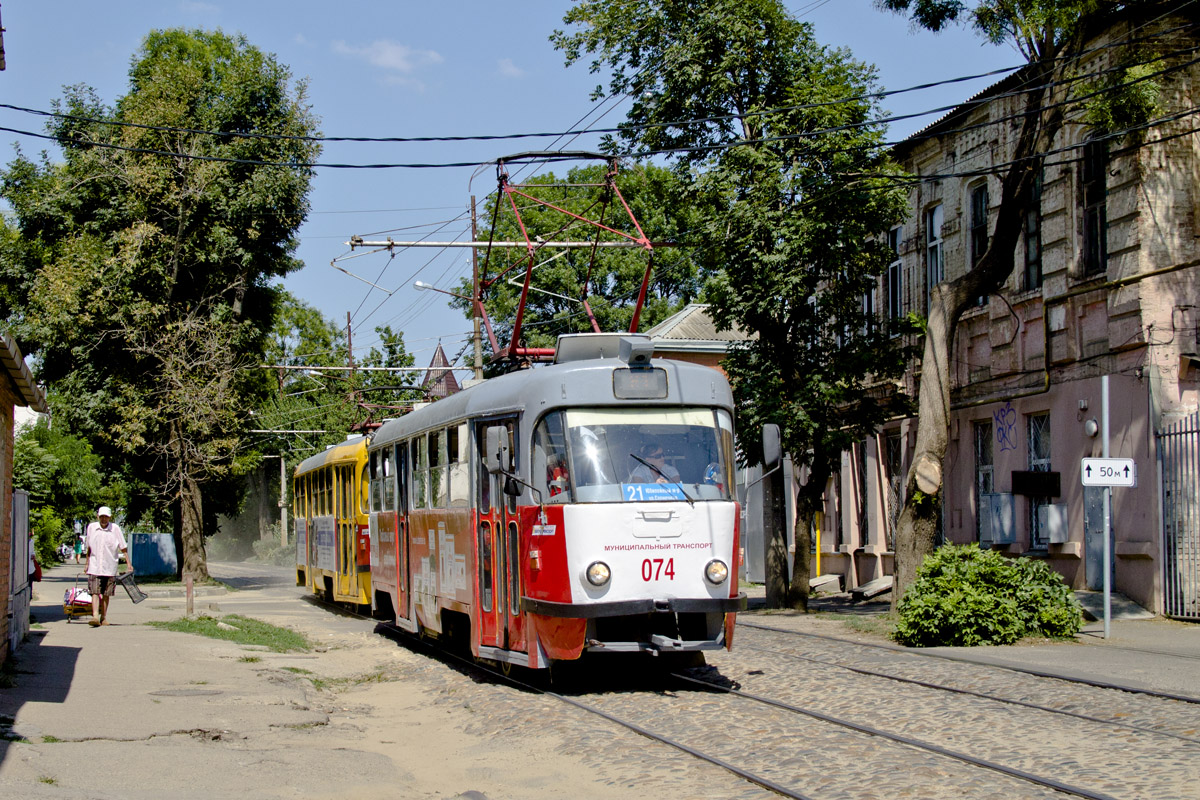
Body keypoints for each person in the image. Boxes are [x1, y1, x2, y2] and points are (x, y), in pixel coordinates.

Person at [84, 506, 129, 627]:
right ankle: (95, 616)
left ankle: (103, 617)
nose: (104, 519)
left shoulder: (115, 529)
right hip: (95, 566)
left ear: (110, 517)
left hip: (110, 566)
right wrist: (87, 563)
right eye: (101, 517)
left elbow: (123, 547)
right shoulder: (92, 527)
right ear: (98, 517)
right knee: (94, 591)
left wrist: (128, 564)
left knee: (106, 593)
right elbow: (89, 547)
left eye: (106, 517)